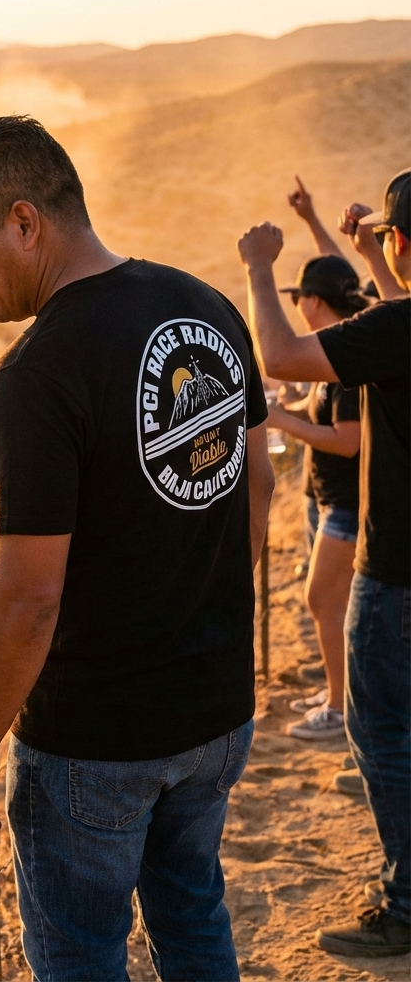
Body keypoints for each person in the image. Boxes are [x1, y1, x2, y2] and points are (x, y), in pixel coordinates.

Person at [0, 115, 274, 981]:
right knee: (193, 916)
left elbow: (29, 599)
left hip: (96, 743)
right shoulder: (207, 305)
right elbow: (259, 486)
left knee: (80, 954)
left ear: (24, 222)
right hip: (217, 711)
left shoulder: (36, 376)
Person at [238, 168, 410, 958]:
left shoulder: (402, 328)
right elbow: (389, 312)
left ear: (403, 241)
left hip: (397, 569)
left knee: (379, 734)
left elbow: (278, 352)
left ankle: (407, 904)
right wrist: (367, 253)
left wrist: (261, 268)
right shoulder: (400, 320)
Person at [268, 256, 366, 740]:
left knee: (324, 600)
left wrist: (286, 424)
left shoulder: (347, 360)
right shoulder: (334, 353)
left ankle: (339, 707)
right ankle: (338, 692)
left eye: (298, 298)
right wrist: (287, 406)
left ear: (313, 301)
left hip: (347, 505)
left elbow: (348, 440)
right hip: (336, 503)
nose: (298, 308)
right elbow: (316, 408)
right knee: (331, 603)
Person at [288, 174, 403, 300]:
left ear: (316, 302)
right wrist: (310, 217)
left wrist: (371, 250)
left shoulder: (373, 313)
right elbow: (336, 272)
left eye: (297, 297)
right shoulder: (367, 300)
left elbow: (399, 313)